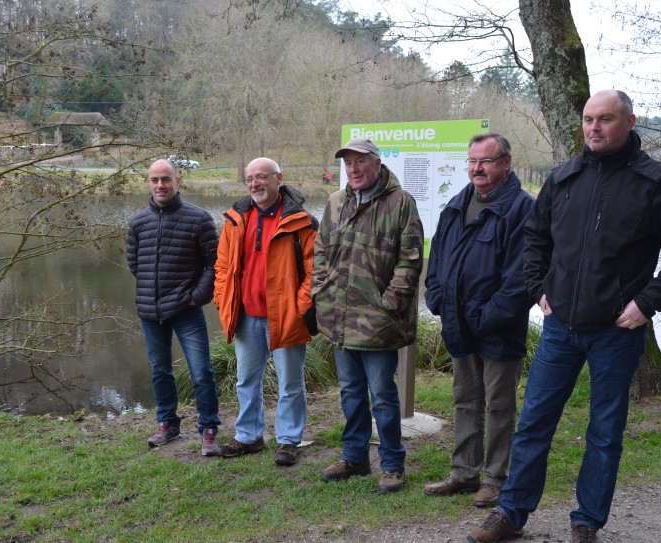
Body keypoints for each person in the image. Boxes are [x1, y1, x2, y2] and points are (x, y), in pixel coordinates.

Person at [467, 90, 661, 543]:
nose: (594, 127)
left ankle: (586, 522)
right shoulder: (565, 177)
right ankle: (511, 513)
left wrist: (648, 301)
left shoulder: (656, 182)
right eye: (588, 119)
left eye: (605, 119)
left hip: (617, 332)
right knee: (535, 421)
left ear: (630, 122)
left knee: (604, 431)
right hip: (561, 329)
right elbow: (535, 237)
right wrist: (540, 288)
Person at [423, 133, 534, 508]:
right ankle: (464, 472)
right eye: (472, 161)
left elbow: (522, 279)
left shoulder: (522, 209)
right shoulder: (457, 204)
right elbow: (437, 258)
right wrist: (436, 298)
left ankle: (495, 479)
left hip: (498, 329)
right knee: (464, 400)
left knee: (499, 405)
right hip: (458, 323)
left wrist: (485, 317)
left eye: (485, 161)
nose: (477, 168)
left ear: (505, 162)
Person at [312, 137, 424, 494]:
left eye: (360, 162)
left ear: (377, 163)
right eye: (348, 163)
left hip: (378, 322)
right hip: (339, 319)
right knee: (350, 393)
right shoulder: (334, 203)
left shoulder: (400, 203)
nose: (353, 169)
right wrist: (319, 292)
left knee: (383, 396)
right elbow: (319, 253)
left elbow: (410, 260)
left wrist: (389, 304)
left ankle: (392, 464)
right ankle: (355, 457)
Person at [213, 157, 318, 466]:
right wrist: (223, 298)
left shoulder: (302, 221)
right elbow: (222, 266)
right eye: (250, 179)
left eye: (262, 177)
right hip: (247, 316)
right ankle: (249, 436)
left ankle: (287, 441)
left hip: (286, 316)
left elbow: (315, 272)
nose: (255, 184)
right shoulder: (235, 219)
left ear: (278, 178)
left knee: (290, 383)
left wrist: (300, 308)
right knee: (246, 380)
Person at [127, 158, 222, 456]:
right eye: (154, 180)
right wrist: (150, 292)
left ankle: (208, 428)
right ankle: (168, 423)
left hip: (186, 309)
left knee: (201, 372)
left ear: (178, 181)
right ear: (149, 182)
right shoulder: (138, 221)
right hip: (150, 311)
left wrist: (196, 295)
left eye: (165, 179)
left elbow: (214, 263)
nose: (160, 185)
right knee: (160, 370)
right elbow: (135, 264)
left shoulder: (199, 218)